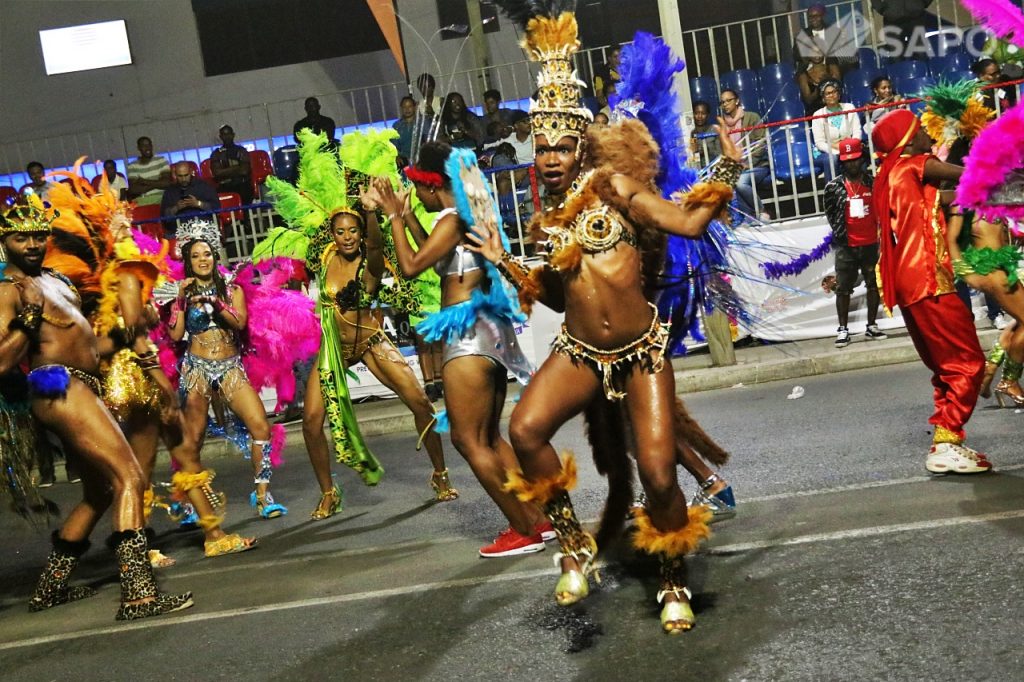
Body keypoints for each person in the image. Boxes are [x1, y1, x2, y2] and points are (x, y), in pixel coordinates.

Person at [477, 4, 744, 633]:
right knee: (525, 430)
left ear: (582, 144)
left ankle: (672, 577)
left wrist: (726, 165)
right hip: (578, 354)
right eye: (540, 148)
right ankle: (572, 547)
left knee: (655, 471)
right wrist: (504, 261)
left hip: (640, 354)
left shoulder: (614, 189)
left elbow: (683, 221)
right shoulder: (548, 221)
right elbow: (551, 297)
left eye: (561, 146)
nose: (547, 158)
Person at [43, 170, 257, 559]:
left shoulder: (112, 278)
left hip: (124, 379)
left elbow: (134, 325)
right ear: (108, 234)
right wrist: (160, 380)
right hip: (136, 380)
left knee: (181, 454)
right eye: (119, 223)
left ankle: (212, 534)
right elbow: (136, 337)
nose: (127, 224)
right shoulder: (124, 275)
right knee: (139, 467)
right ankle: (143, 549)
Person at [0, 198, 193, 620]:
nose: (32, 244)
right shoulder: (9, 289)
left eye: (37, 235)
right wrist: (29, 314)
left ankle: (50, 588)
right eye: (21, 238)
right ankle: (139, 596)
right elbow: (2, 359)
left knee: (101, 490)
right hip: (59, 387)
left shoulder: (52, 280)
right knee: (129, 475)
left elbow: (90, 347)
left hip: (81, 383)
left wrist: (129, 333)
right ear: (4, 242)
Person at [375, 141, 552, 558]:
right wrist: (406, 217)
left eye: (417, 185)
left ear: (434, 185)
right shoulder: (463, 216)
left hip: (468, 335)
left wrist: (393, 218)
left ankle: (522, 528)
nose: (413, 192)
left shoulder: (453, 219)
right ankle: (538, 519)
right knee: (488, 436)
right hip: (487, 330)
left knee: (467, 441)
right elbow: (438, 258)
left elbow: (412, 265)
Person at [872, 108, 990, 473]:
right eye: (920, 129)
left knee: (945, 366)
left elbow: (947, 197)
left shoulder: (891, 176)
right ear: (907, 141)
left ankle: (949, 438)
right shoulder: (914, 164)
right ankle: (946, 441)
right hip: (926, 277)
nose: (928, 134)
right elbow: (968, 179)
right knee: (969, 363)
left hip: (910, 283)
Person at [167, 219, 288, 518]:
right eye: (195, 256)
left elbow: (240, 323)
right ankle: (189, 502)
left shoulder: (232, 290)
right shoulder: (181, 292)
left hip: (230, 367)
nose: (202, 260)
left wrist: (216, 304)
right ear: (188, 260)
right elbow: (174, 334)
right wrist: (181, 302)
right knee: (192, 440)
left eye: (206, 253)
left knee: (261, 426)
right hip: (196, 369)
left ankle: (262, 495)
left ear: (215, 255)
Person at [823, 138, 886, 347]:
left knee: (873, 284)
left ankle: (871, 325)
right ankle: (843, 329)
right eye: (847, 161)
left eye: (855, 160)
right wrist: (842, 235)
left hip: (870, 243)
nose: (851, 164)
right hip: (846, 245)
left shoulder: (873, 183)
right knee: (843, 288)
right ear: (841, 162)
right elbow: (831, 215)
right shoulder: (833, 187)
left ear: (862, 159)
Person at [719, 89, 770, 221]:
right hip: (736, 167)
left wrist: (748, 163)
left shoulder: (752, 117)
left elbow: (761, 144)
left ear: (737, 101)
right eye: (722, 102)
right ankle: (750, 216)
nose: (725, 104)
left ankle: (762, 211)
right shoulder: (723, 125)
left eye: (728, 100)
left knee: (741, 183)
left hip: (757, 165)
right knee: (727, 185)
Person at [812, 80, 863, 180]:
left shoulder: (849, 107)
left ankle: (861, 188)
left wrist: (850, 146)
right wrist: (837, 150)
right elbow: (819, 142)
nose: (832, 95)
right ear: (823, 98)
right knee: (832, 159)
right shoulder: (817, 115)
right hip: (827, 150)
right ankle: (833, 192)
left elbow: (857, 131)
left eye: (834, 92)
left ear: (839, 94)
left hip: (850, 146)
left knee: (859, 157)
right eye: (828, 93)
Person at [209, 125, 253, 205]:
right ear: (220, 136)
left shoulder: (241, 150)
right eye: (224, 134)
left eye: (229, 134)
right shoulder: (216, 153)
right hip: (225, 186)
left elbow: (244, 171)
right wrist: (236, 168)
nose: (227, 137)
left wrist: (225, 171)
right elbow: (217, 173)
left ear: (233, 135)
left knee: (246, 189)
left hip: (242, 185)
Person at [126, 137, 171, 206]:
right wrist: (158, 182)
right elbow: (133, 189)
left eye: (149, 145)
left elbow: (166, 183)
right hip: (142, 201)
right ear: (139, 148)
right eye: (143, 146)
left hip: (161, 199)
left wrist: (144, 181)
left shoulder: (161, 160)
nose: (147, 148)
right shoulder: (132, 165)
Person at [690, 101, 722, 168]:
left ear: (708, 115)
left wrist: (707, 151)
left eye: (703, 113)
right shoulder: (692, 133)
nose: (700, 116)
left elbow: (720, 154)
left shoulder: (715, 130)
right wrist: (696, 153)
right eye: (696, 113)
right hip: (700, 172)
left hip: (715, 169)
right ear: (693, 114)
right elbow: (693, 157)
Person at [392, 95, 419, 163]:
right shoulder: (397, 126)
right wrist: (396, 157)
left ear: (414, 107)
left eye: (409, 106)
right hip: (404, 160)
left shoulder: (422, 123)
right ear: (401, 108)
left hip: (421, 159)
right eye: (404, 107)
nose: (407, 109)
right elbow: (393, 147)